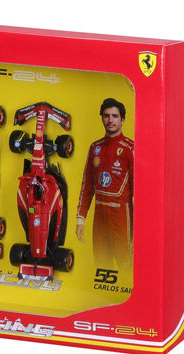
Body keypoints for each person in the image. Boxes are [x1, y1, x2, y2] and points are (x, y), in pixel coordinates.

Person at [76, 98, 134, 267]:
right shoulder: (95, 147)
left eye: (115, 116)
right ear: (102, 118)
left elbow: (141, 192)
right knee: (101, 265)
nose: (110, 120)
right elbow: (87, 186)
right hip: (99, 219)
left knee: (125, 266)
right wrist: (80, 220)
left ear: (122, 120)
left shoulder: (130, 148)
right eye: (106, 115)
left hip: (122, 218)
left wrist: (140, 229)